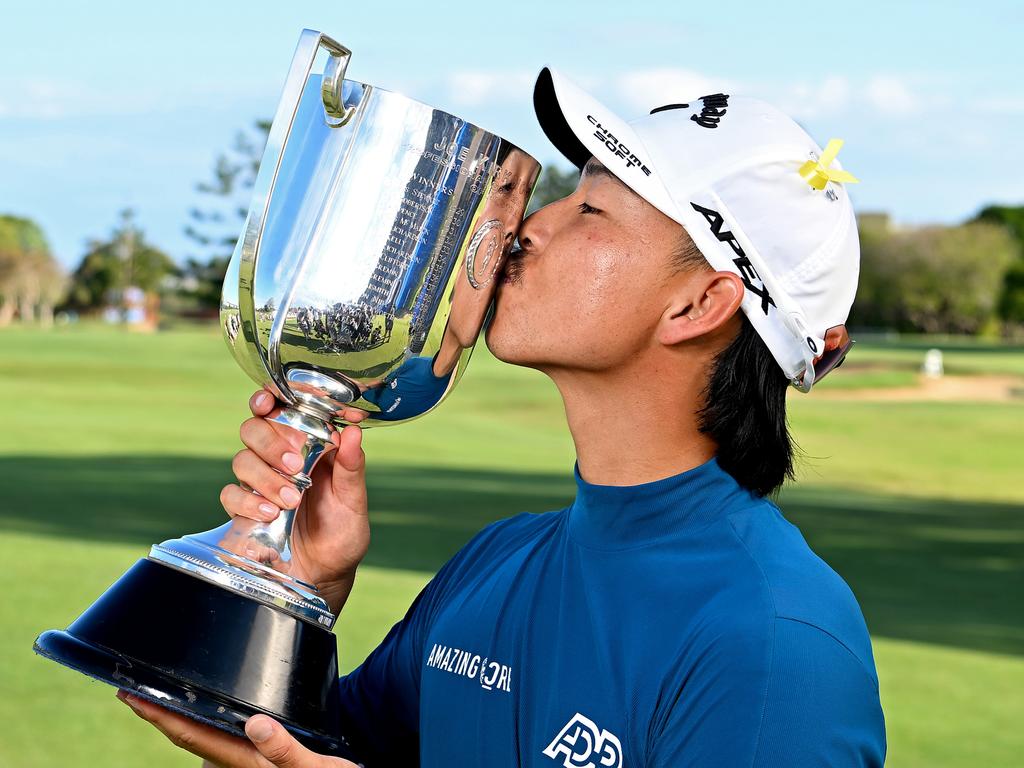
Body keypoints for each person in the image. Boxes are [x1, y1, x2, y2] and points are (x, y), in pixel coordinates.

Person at [120, 68, 886, 767]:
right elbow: (315, 747)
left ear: (699, 304)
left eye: (591, 208)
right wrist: (300, 593)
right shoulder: (498, 562)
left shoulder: (775, 641)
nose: (530, 228)